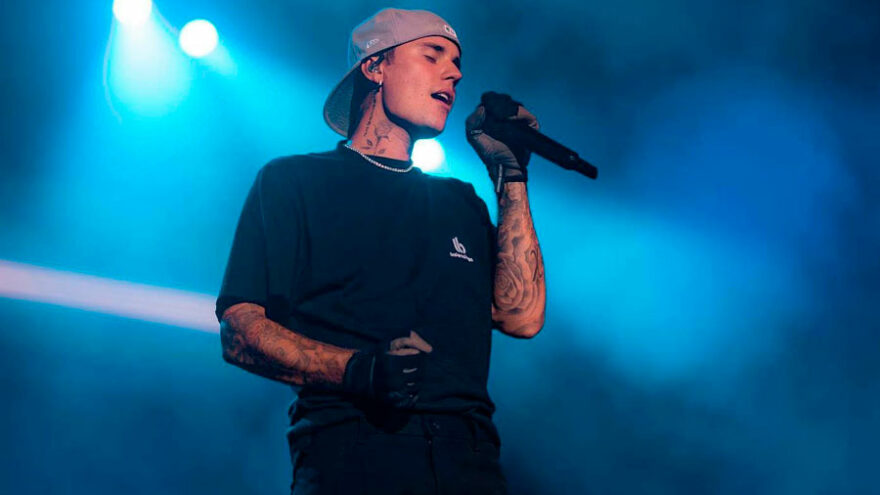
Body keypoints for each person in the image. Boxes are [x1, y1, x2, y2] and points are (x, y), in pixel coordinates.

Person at [215, 8, 546, 495]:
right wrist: (360, 370)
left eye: (457, 63)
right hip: (353, 456)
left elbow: (522, 317)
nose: (454, 74)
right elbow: (239, 332)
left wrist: (511, 175)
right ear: (375, 66)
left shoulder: (460, 202)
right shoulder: (293, 182)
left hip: (471, 462)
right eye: (433, 55)